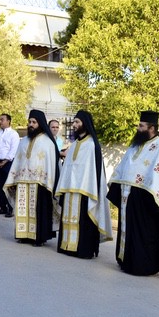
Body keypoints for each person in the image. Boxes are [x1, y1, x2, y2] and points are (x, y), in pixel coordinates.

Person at [107, 110, 159, 276]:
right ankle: (126, 260)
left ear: (152, 127)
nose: (138, 128)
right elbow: (123, 168)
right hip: (127, 197)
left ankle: (143, 265)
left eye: (141, 126)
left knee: (144, 232)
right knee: (128, 230)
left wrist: (149, 196)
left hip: (146, 200)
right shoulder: (134, 146)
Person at [55, 109, 112, 258]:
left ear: (85, 124)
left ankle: (82, 249)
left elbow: (94, 171)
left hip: (86, 191)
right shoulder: (74, 145)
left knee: (84, 221)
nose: (74, 125)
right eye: (74, 122)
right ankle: (67, 246)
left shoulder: (92, 145)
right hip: (69, 191)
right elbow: (68, 168)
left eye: (77, 122)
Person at [3, 109, 60, 246]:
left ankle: (38, 237)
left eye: (34, 122)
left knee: (38, 211)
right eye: (29, 122)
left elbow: (51, 164)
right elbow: (17, 161)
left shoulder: (48, 142)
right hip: (23, 182)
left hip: (40, 183)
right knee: (23, 209)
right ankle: (24, 234)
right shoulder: (23, 142)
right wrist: (13, 179)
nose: (31, 125)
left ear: (40, 123)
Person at [0, 113, 20, 218]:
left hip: (8, 162)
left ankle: (11, 208)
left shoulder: (13, 134)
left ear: (8, 121)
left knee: (8, 186)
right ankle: (2, 207)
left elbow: (13, 149)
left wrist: (4, 161)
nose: (0, 122)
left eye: (2, 120)